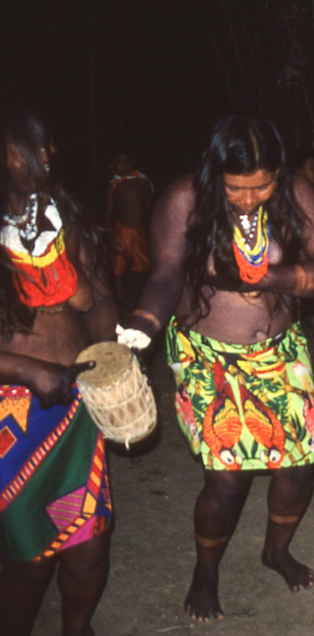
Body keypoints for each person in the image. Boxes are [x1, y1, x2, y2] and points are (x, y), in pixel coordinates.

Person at [118, 115, 314, 620]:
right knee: (227, 480)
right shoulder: (184, 199)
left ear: (278, 173)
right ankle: (206, 572)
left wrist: (266, 278)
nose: (247, 199)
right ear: (213, 173)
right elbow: (165, 276)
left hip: (280, 353)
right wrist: (141, 328)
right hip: (207, 357)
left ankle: (275, 551)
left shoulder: (296, 192)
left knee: (298, 469)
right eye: (235, 188)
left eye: (261, 186)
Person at [0, 113, 117, 636]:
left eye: (47, 145)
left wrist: (107, 350)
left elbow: (102, 303)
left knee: (88, 546)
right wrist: (27, 367)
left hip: (74, 408)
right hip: (11, 419)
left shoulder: (63, 220)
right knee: (29, 558)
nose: (44, 156)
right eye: (27, 148)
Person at [105, 150, 154, 297]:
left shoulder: (142, 181)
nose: (124, 165)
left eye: (127, 162)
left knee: (144, 265)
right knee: (118, 266)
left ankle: (143, 295)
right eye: (120, 162)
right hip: (122, 232)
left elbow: (149, 203)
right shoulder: (115, 185)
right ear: (113, 166)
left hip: (140, 231)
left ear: (132, 163)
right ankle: (119, 296)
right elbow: (108, 212)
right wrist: (111, 235)